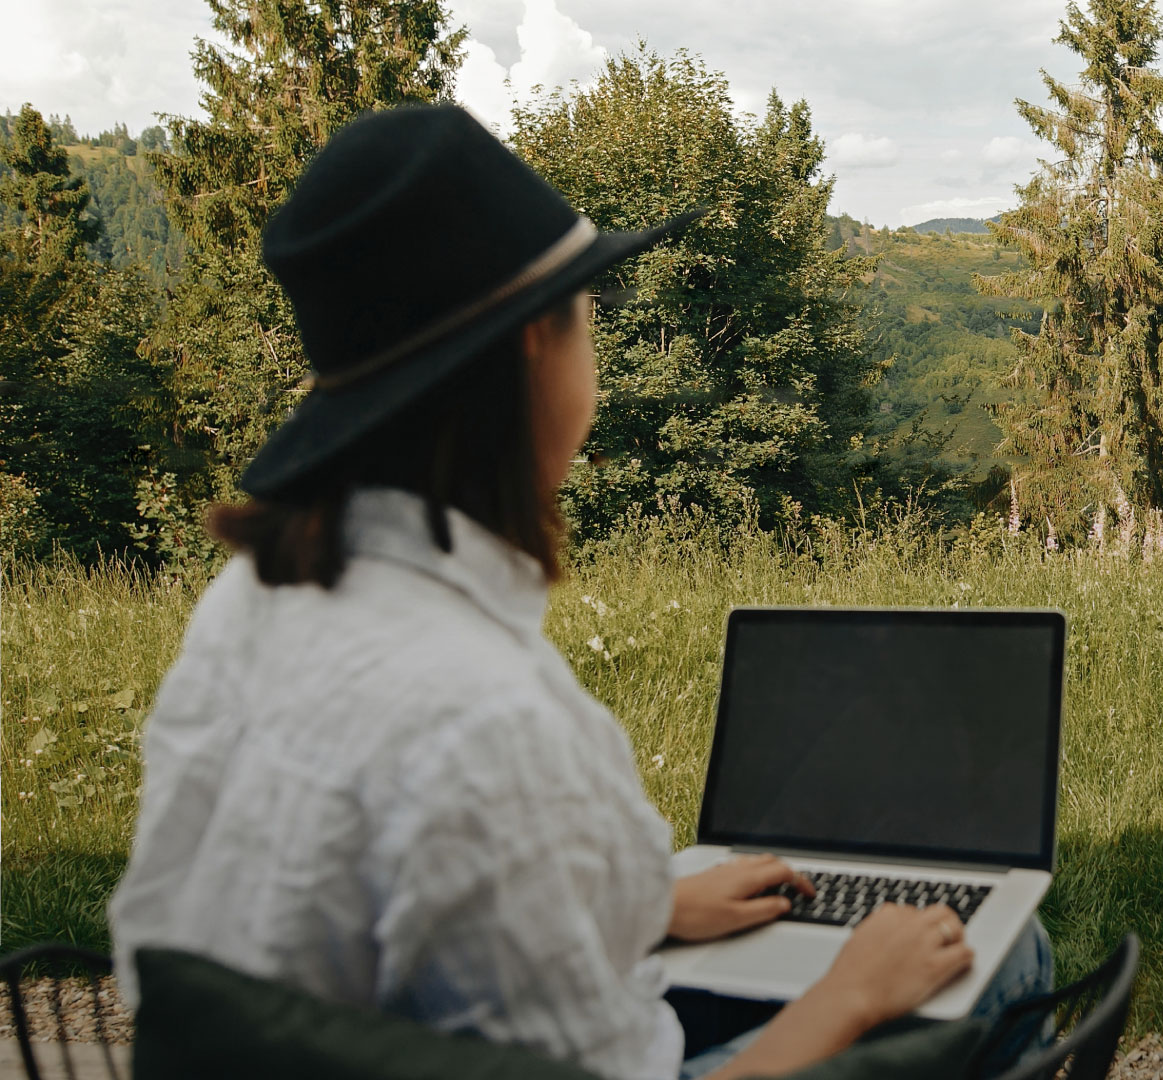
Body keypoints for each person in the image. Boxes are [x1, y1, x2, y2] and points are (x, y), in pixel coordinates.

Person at [108, 104, 1049, 1080]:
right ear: (532, 346)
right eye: (586, 315)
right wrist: (853, 993)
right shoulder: (491, 721)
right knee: (1011, 955)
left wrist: (650, 903)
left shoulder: (252, 601)